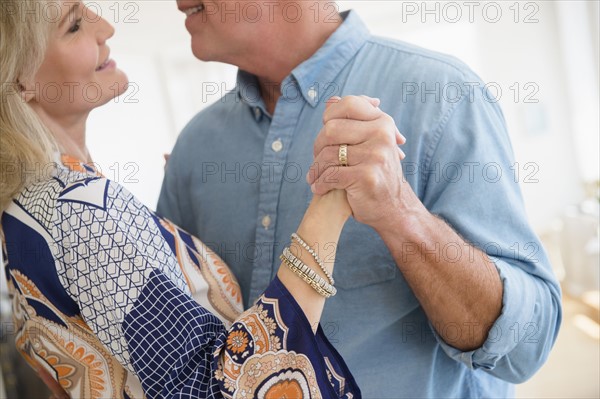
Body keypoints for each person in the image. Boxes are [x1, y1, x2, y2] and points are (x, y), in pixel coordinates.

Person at [158, 1, 563, 397]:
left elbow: (528, 347)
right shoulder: (195, 146)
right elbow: (170, 352)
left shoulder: (445, 94)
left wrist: (400, 213)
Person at [0, 1, 380, 397]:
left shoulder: (31, 214)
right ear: (21, 79)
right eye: (75, 25)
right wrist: (331, 200)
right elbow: (224, 389)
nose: (106, 28)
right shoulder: (80, 209)